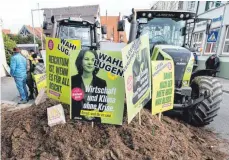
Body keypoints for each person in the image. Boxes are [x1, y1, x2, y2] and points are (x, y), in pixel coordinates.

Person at [71, 50, 107, 122]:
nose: (90, 63)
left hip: (95, 123)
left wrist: (95, 112)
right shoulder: (72, 80)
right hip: (76, 122)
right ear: (80, 61)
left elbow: (103, 105)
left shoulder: (102, 83)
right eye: (86, 59)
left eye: (93, 60)